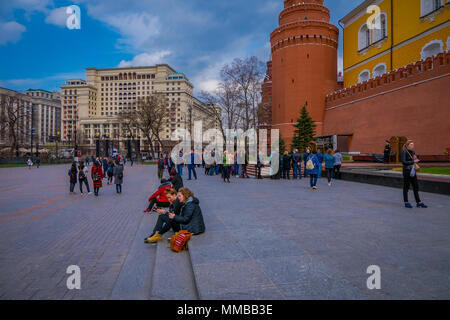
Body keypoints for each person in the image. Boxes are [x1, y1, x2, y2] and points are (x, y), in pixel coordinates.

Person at [402, 141, 428, 209]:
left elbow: (415, 159)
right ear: (407, 145)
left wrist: (416, 159)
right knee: (406, 187)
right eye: (411, 144)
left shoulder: (413, 152)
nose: (412, 145)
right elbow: (404, 162)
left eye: (413, 144)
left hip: (413, 171)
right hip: (407, 171)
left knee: (416, 186)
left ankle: (419, 202)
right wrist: (413, 161)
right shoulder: (404, 151)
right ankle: (406, 202)